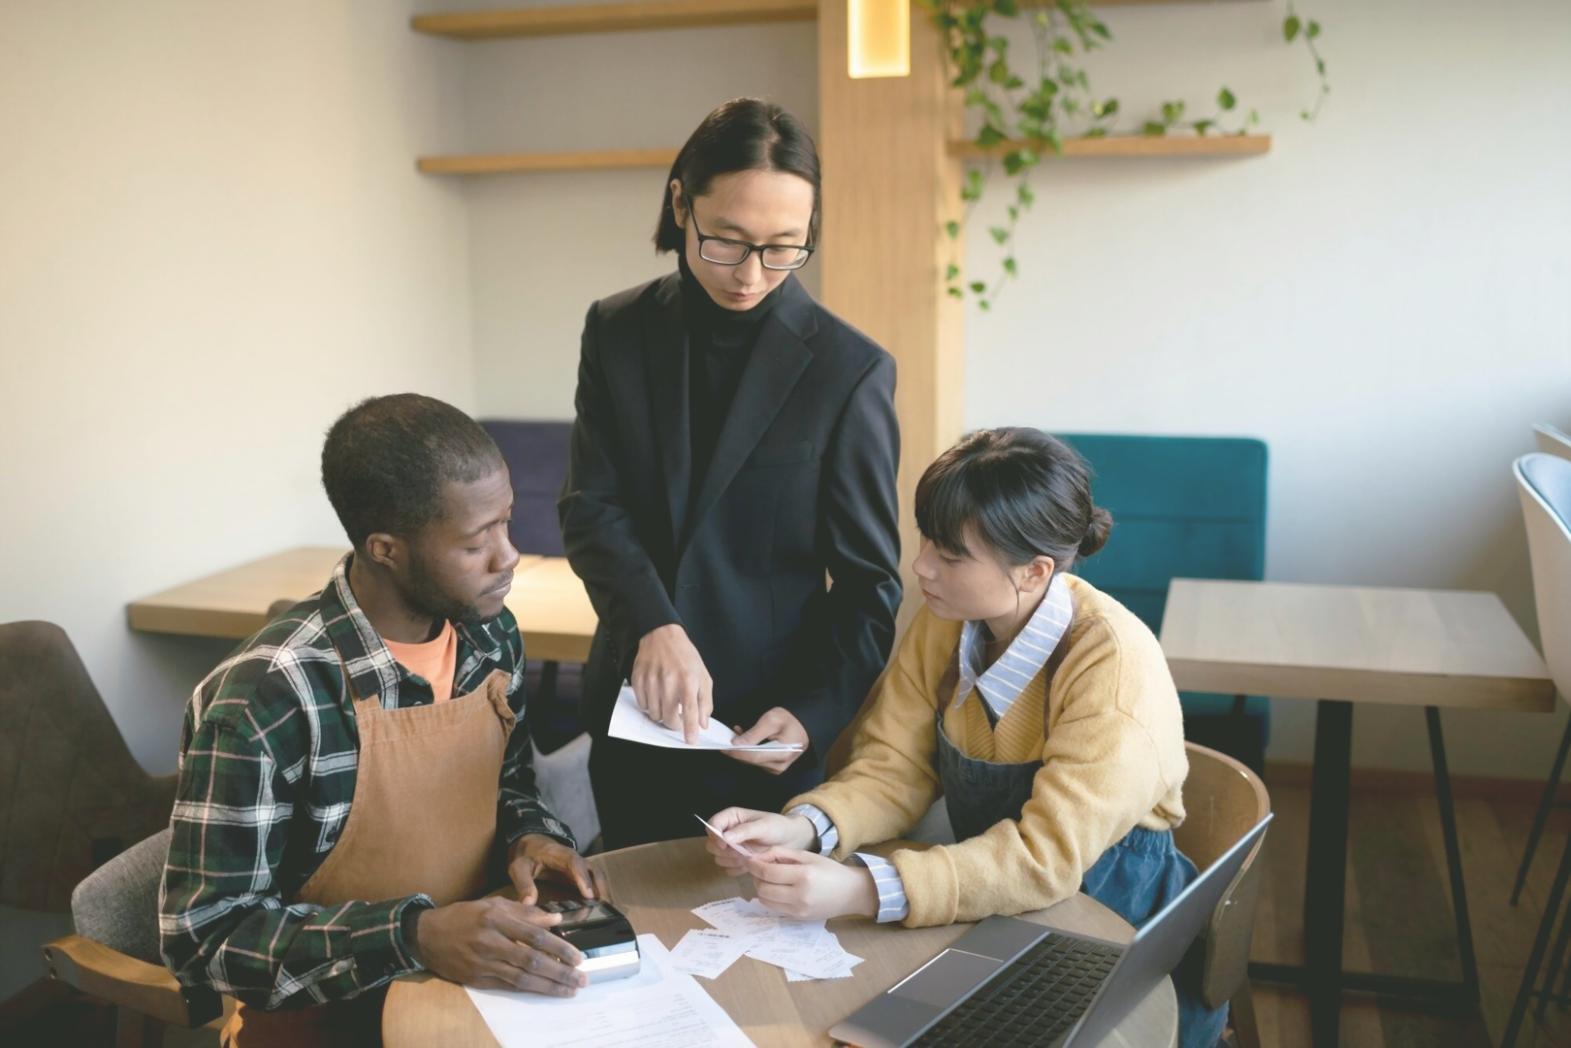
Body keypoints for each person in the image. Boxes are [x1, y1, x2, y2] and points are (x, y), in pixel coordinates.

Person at [704, 428, 1228, 1047]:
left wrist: (864, 887)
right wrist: (806, 827)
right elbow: (893, 767)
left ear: (1034, 571)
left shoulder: (1111, 666)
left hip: (1109, 922)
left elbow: (1044, 859)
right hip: (987, 894)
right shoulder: (945, 622)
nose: (922, 565)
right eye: (927, 538)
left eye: (951, 555)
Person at [161, 394, 606, 1047]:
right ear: (386, 549)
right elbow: (204, 941)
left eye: (506, 523)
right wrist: (415, 936)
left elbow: (506, 787)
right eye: (476, 540)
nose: (507, 556)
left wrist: (531, 839)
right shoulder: (264, 701)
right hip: (328, 1020)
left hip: (474, 985)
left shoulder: (490, 636)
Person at [559, 98, 902, 847]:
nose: (751, 275)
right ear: (680, 201)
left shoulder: (849, 371)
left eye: (783, 247)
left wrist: (813, 713)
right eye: (727, 241)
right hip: (632, 715)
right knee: (640, 925)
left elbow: (871, 583)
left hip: (762, 733)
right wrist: (653, 622)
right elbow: (592, 507)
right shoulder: (615, 330)